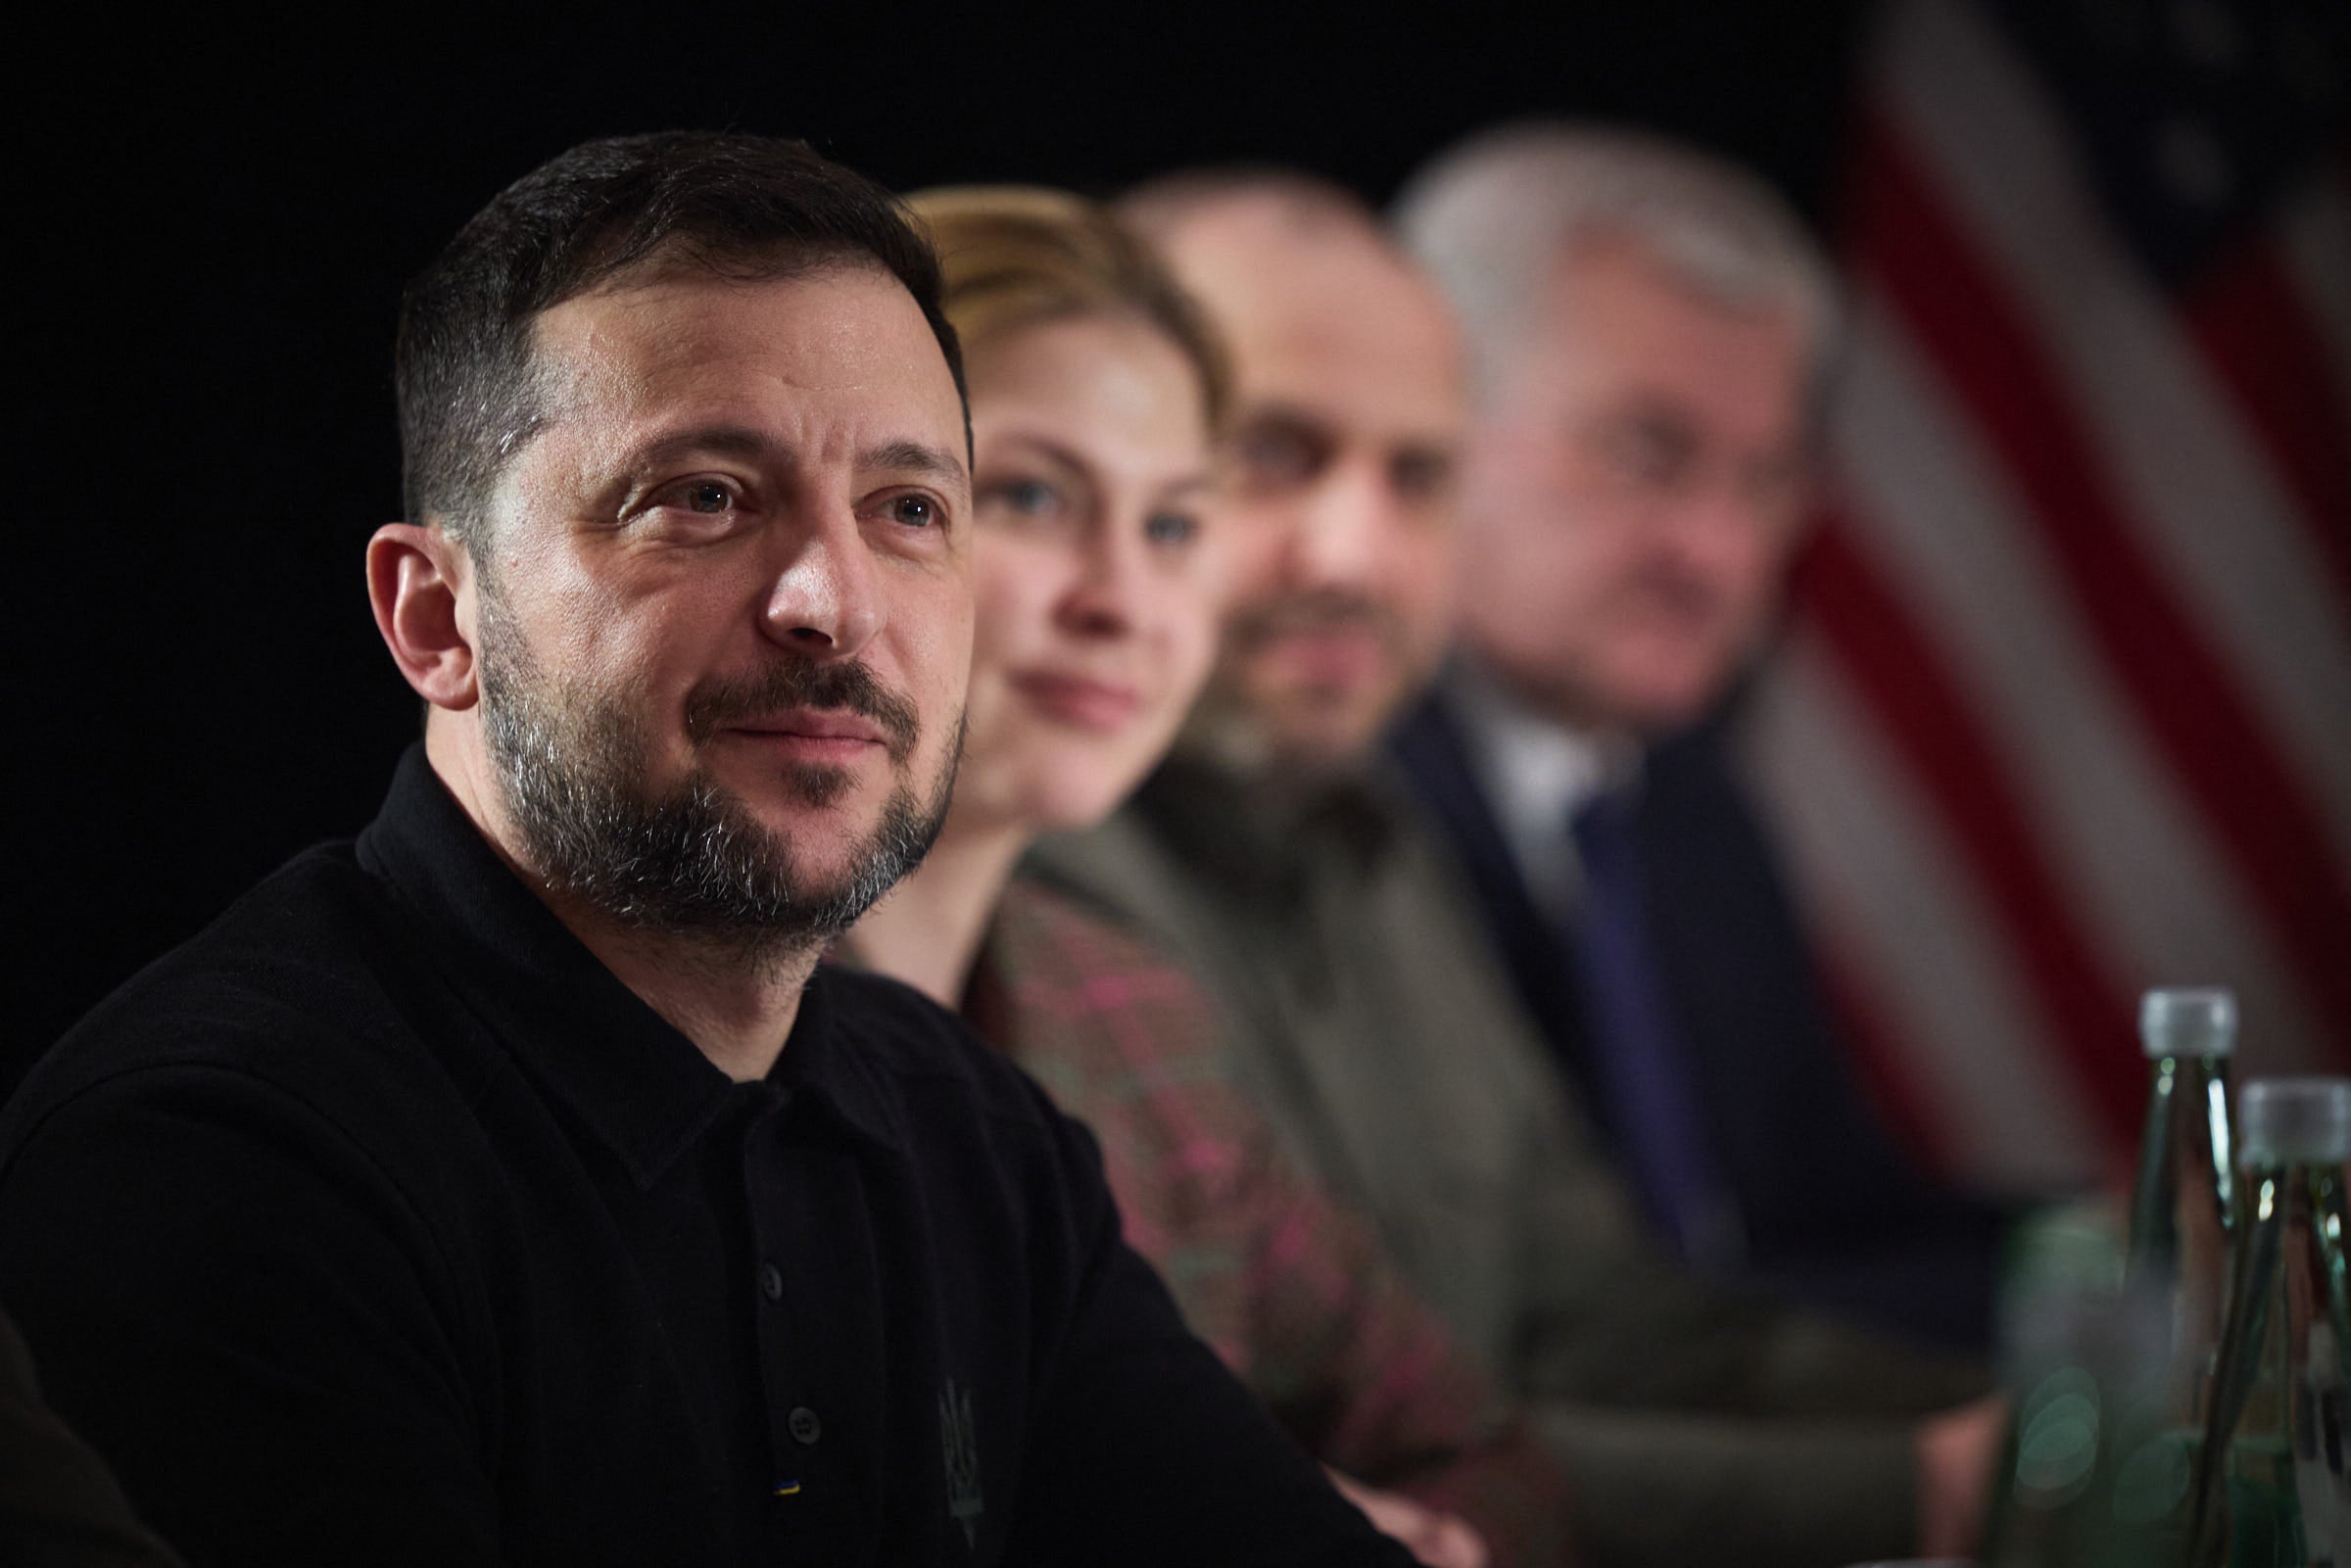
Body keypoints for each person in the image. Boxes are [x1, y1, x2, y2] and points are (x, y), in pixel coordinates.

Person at [0, 133, 1416, 1568]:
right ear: (436, 617)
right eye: (703, 498)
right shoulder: (216, 1154)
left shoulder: (977, 1140)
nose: (834, 602)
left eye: (908, 510)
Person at [1024, 169, 2002, 1568]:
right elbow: (1269, 1463)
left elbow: (1613, 1318)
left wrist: (2033, 1442)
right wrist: (1937, 1489)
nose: (1355, 553)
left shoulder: (1379, 843)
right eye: (1274, 454)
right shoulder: (1025, 890)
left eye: (1419, 475)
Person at [842, 185, 1570, 1568]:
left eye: (1176, 524)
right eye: (1036, 497)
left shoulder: (1131, 1004)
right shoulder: (697, 1018)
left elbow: (1480, 1447)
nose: (1125, 599)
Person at [1388, 122, 2004, 1346]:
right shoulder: (1331, 810)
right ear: (1428, 418)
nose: (1716, 552)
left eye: (1765, 475)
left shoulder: (1682, 797)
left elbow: (1830, 1223)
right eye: (1647, 454)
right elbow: (1544, 1334)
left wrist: (2166, 1244)